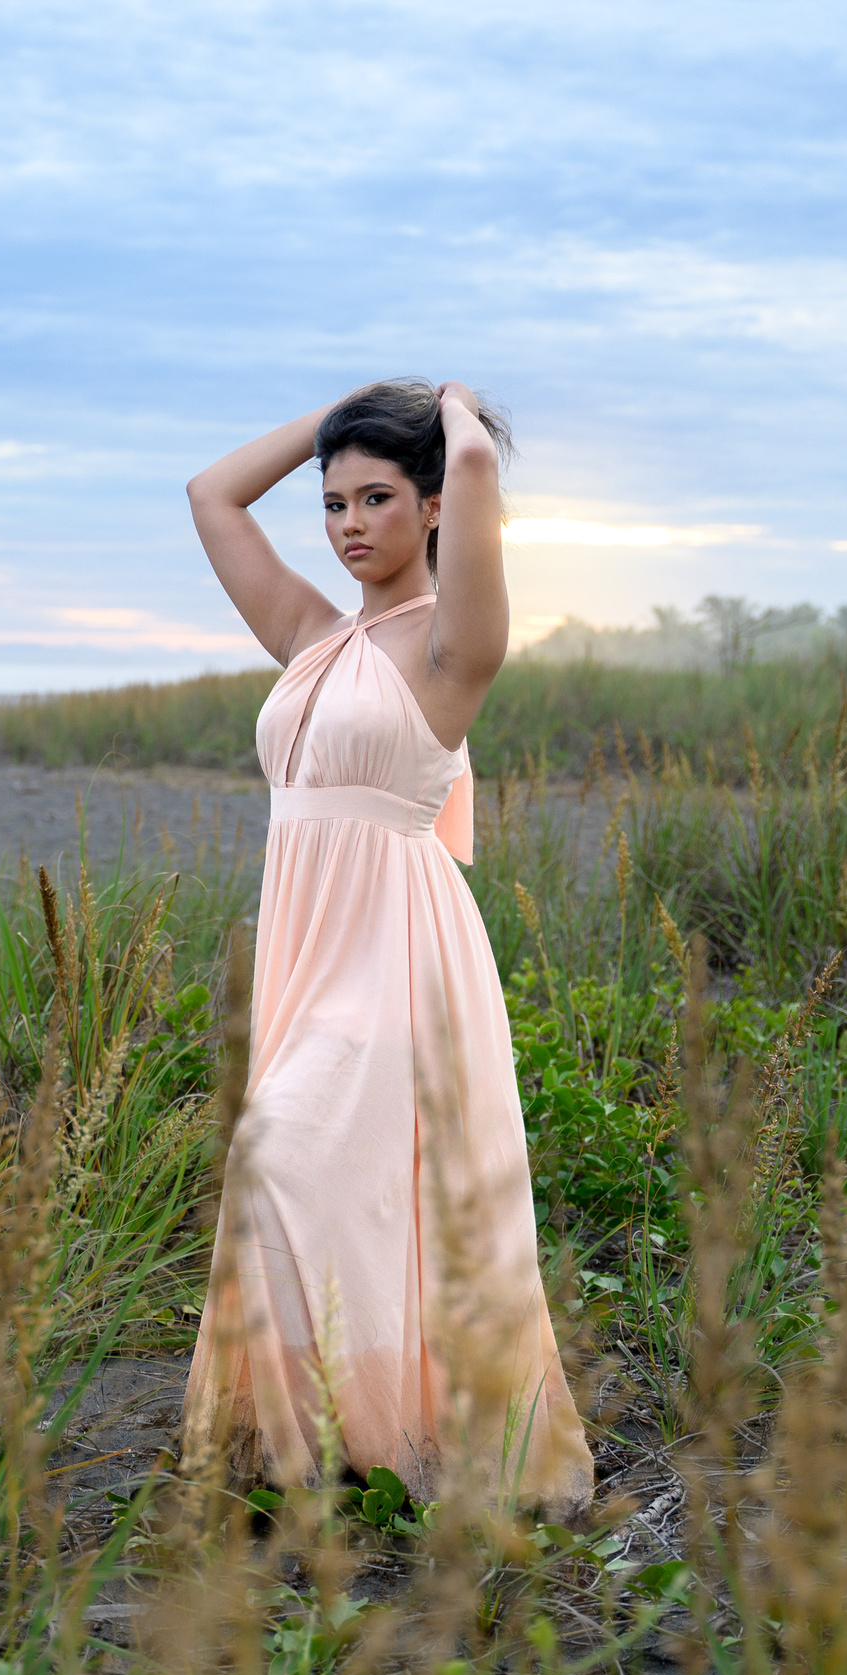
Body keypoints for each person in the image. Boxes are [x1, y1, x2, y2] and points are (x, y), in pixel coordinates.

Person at [179, 378, 593, 1516]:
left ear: (429, 511)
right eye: (333, 502)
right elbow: (211, 495)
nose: (350, 523)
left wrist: (460, 414)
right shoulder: (312, 638)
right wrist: (327, 418)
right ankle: (321, 1445)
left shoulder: (452, 649)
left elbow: (471, 473)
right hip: (307, 951)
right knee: (341, 1186)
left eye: (376, 498)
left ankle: (369, 1441)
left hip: (397, 956)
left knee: (284, 1164)